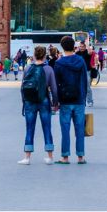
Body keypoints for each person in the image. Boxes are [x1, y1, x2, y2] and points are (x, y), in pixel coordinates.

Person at [18, 45, 59, 165]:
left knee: (29, 128)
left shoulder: (28, 68)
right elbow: (54, 88)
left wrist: (24, 102)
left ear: (34, 55)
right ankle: (50, 156)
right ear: (45, 55)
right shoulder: (49, 69)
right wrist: (55, 103)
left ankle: (27, 157)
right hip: (44, 101)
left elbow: (22, 87)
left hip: (30, 101)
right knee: (47, 128)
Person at [53, 35, 90, 164]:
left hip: (65, 100)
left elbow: (56, 83)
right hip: (79, 99)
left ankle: (65, 156)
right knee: (80, 129)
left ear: (62, 47)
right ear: (74, 46)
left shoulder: (59, 63)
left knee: (65, 129)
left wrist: (56, 102)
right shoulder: (80, 61)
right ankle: (81, 156)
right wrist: (84, 96)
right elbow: (85, 80)